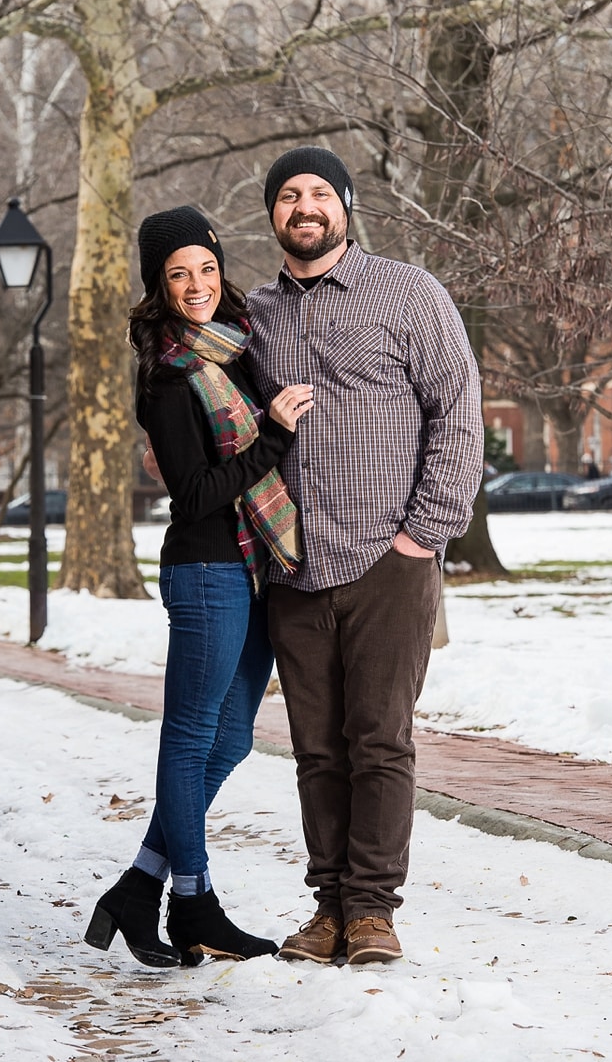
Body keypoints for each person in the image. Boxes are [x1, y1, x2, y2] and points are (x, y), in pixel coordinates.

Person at [247, 146, 483, 964]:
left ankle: (374, 910)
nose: (304, 206)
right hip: (293, 567)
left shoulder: (411, 293)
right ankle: (328, 907)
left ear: (346, 206)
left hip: (389, 559)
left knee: (379, 737)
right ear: (272, 213)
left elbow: (457, 414)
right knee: (317, 746)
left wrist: (423, 534)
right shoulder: (254, 316)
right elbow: (225, 427)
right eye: (288, 196)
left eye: (319, 193)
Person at [85, 207, 314, 968]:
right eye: (178, 273)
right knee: (189, 737)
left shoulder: (237, 348)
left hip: (254, 566)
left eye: (207, 268)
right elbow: (195, 491)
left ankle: (137, 885)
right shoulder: (168, 377)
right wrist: (275, 438)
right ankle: (195, 900)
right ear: (159, 283)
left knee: (236, 736)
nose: (196, 285)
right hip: (207, 568)